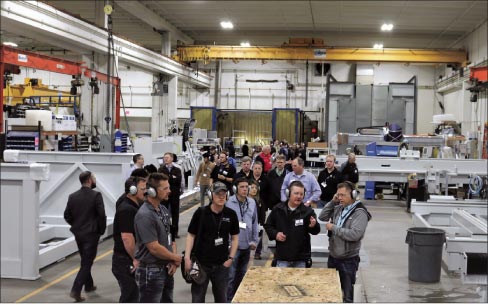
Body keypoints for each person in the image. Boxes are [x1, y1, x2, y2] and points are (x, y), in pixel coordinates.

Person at [184, 182, 239, 303]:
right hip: (200, 264)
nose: (221, 196)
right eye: (218, 193)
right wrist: (187, 258)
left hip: (221, 265)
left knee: (222, 299)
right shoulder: (201, 213)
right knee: (197, 299)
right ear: (210, 195)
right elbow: (191, 235)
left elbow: (235, 238)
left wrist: (231, 258)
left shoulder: (231, 214)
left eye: (224, 194)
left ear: (227, 195)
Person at [318, 181, 371, 303]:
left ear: (352, 194)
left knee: (347, 297)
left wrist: (334, 228)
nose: (340, 198)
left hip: (348, 261)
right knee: (332, 293)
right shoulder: (339, 208)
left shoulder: (360, 213)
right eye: (338, 195)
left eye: (343, 195)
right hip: (333, 257)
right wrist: (333, 201)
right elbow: (322, 217)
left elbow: (355, 235)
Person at [133, 173, 182, 303]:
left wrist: (173, 259)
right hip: (151, 271)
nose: (169, 191)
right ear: (152, 192)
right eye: (165, 188)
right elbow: (154, 248)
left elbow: (170, 238)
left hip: (166, 267)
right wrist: (175, 258)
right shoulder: (145, 215)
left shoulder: (163, 210)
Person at [64, 171, 107, 302]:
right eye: (94, 178)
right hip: (91, 234)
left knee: (85, 259)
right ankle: (76, 290)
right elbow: (101, 215)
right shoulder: (96, 195)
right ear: (89, 180)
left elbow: (67, 215)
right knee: (87, 262)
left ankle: (88, 285)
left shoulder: (73, 196)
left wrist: (77, 225)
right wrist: (101, 230)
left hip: (79, 234)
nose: (95, 180)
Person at [264, 181, 320, 268]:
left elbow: (316, 230)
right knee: (281, 282)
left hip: (301, 259)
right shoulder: (278, 209)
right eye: (296, 193)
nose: (299, 196)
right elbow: (268, 225)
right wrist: (275, 234)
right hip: (282, 258)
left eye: (301, 194)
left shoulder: (308, 212)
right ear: (288, 193)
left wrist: (314, 225)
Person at [112, 177, 146, 303]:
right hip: (125, 261)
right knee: (130, 296)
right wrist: (135, 258)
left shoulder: (134, 206)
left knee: (133, 295)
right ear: (132, 190)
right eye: (143, 189)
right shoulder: (126, 209)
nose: (146, 191)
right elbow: (127, 238)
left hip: (127, 260)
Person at [225, 178, 259, 302]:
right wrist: (228, 244)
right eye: (242, 187)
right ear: (235, 189)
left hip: (247, 246)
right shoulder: (229, 203)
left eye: (246, 187)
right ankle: (229, 300)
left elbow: (255, 222)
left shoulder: (252, 202)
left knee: (243, 276)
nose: (245, 189)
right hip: (233, 247)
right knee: (231, 277)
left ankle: (240, 300)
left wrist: (255, 240)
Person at [158, 152, 183, 238]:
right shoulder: (160, 169)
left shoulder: (177, 170)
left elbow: (178, 181)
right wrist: (172, 177)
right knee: (163, 213)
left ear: (172, 159)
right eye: (164, 157)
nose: (165, 159)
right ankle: (164, 231)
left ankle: (174, 232)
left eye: (167, 157)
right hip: (163, 195)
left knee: (175, 213)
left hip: (174, 194)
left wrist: (168, 178)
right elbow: (160, 181)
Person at [251, 161, 270, 260]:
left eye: (259, 168)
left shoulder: (266, 180)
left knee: (260, 233)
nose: (257, 170)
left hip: (261, 213)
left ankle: (257, 252)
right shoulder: (248, 180)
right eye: (255, 168)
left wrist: (261, 223)